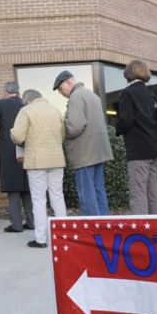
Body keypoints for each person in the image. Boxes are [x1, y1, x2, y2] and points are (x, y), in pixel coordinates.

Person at [10, 89, 67, 248]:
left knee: (39, 200)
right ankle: (63, 236)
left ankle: (41, 239)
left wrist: (12, 133)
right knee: (57, 195)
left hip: (36, 161)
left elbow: (18, 136)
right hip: (56, 159)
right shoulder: (55, 110)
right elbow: (63, 135)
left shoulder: (26, 110)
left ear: (27, 100)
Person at [53, 70, 113, 216]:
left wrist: (62, 126)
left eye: (61, 89)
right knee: (98, 189)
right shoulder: (92, 95)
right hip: (98, 151)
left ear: (68, 83)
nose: (61, 93)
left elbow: (74, 127)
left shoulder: (75, 97)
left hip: (84, 154)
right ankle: (105, 225)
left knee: (86, 193)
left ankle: (93, 229)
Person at [0, 81, 34, 232]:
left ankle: (16, 225)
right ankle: (32, 223)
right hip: (28, 149)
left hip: (8, 150)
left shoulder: (1, 104)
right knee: (27, 188)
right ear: (18, 92)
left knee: (13, 189)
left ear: (6, 92)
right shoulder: (26, 104)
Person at [114, 59, 157, 215]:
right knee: (153, 191)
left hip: (138, 151)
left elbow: (125, 120)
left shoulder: (128, 93)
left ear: (129, 73)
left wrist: (118, 129)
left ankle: (141, 231)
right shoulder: (150, 93)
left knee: (138, 192)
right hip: (153, 149)